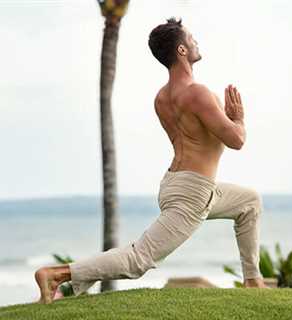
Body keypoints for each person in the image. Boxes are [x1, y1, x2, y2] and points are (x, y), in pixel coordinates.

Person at [34, 17, 268, 304]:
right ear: (182, 50)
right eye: (192, 38)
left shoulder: (162, 98)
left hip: (179, 184)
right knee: (139, 259)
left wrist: (226, 120)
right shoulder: (198, 94)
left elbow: (199, 138)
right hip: (193, 193)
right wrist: (238, 119)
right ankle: (57, 274)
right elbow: (237, 140)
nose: (196, 42)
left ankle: (253, 280)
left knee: (249, 202)